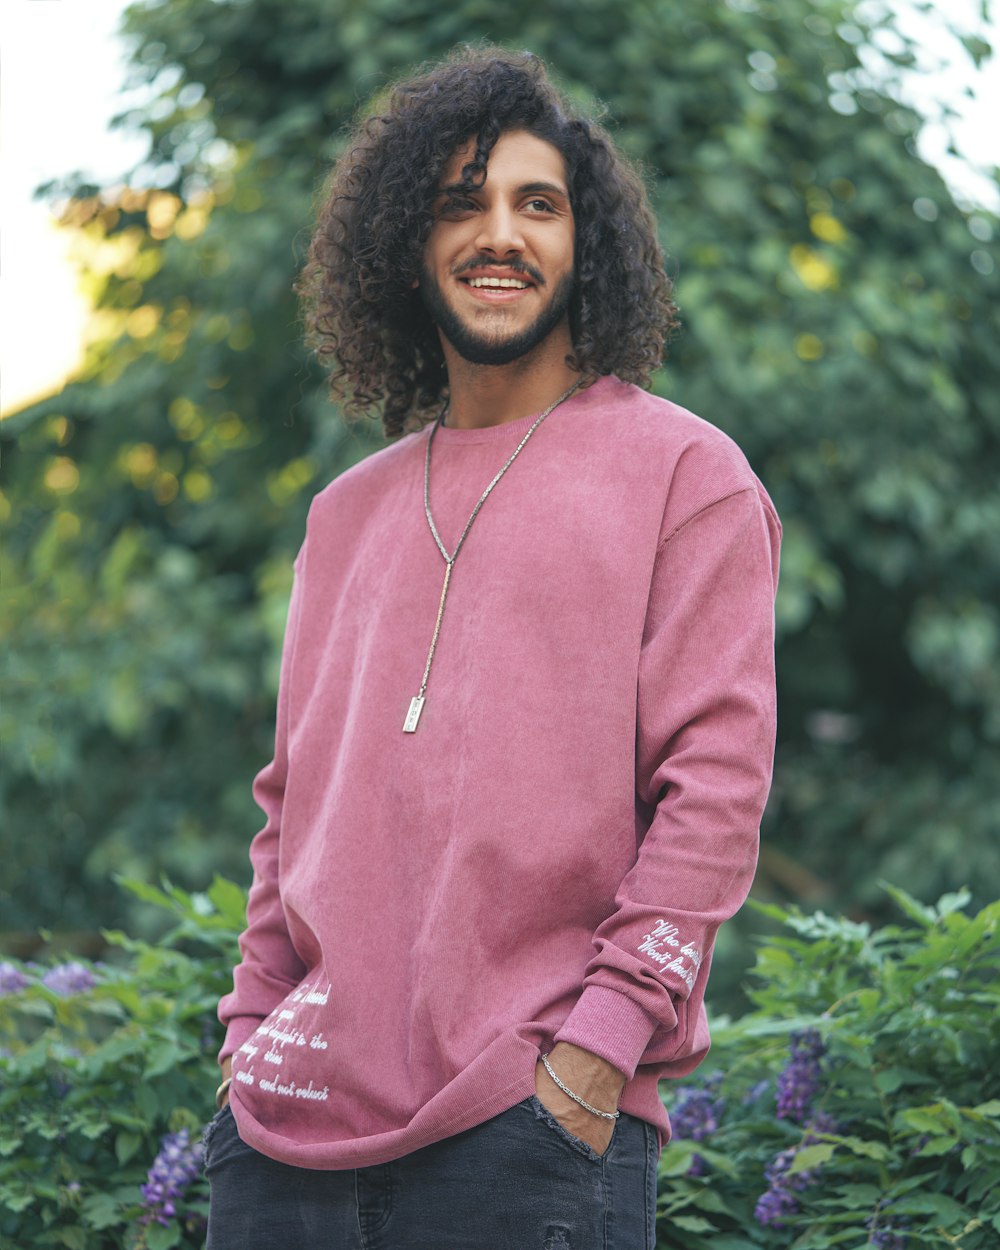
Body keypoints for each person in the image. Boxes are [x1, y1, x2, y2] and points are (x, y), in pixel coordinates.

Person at [205, 45, 781, 1250]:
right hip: (285, 1140)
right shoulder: (345, 512)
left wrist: (600, 1044)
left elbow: (714, 792)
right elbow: (290, 804)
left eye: (536, 203)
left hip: (530, 1127)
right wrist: (248, 1032)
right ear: (404, 250)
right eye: (458, 204)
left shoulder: (688, 477)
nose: (497, 234)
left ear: (589, 243)